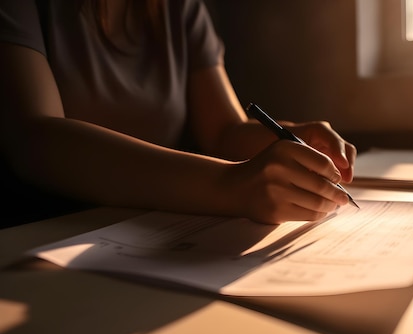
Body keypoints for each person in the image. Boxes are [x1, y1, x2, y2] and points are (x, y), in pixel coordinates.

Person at [0, 0, 356, 226]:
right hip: (43, 233)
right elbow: (35, 137)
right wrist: (229, 185)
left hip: (151, 230)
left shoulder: (180, 8)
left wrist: (297, 138)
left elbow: (223, 130)